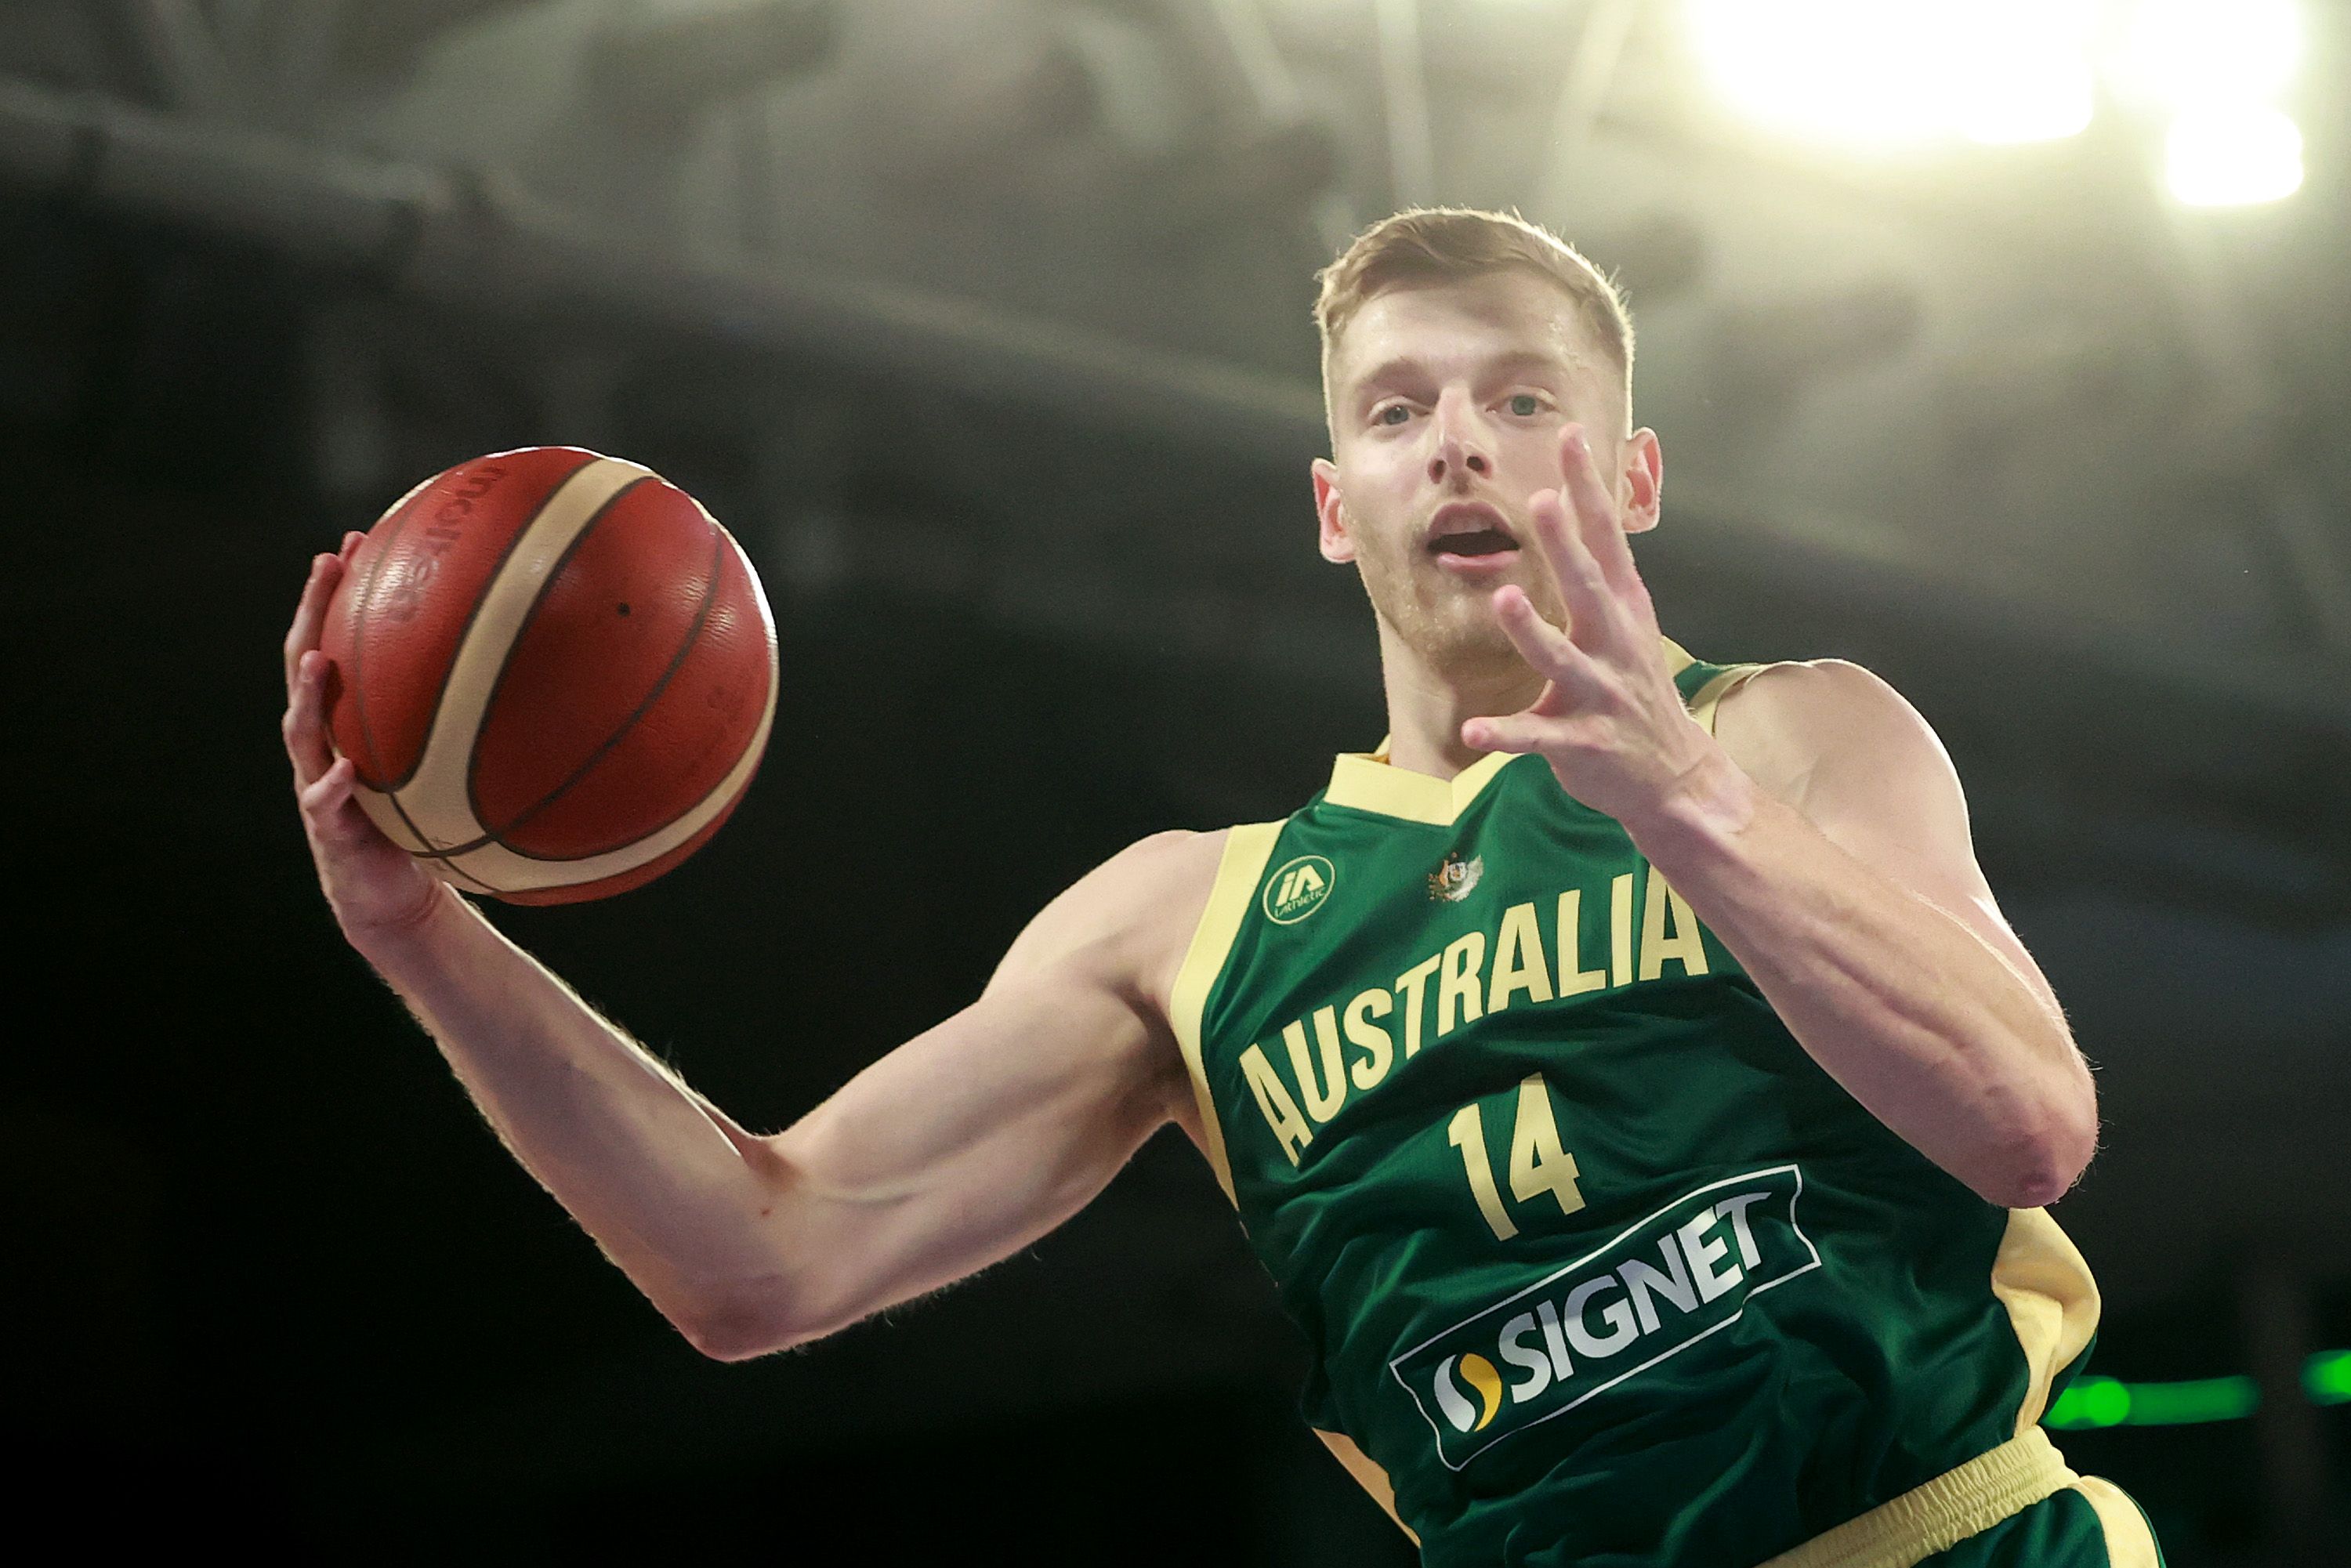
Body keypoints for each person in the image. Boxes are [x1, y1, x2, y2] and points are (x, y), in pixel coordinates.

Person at [282, 208, 2158, 1566]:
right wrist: (423, 939)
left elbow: (2030, 1120)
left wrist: (1690, 811)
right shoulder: (1178, 930)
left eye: (1523, 398)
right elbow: (758, 1258)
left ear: (1630, 474)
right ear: (1338, 500)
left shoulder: (1791, 736)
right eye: (1402, 407)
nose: (1463, 442)